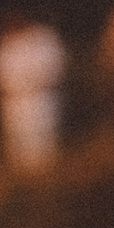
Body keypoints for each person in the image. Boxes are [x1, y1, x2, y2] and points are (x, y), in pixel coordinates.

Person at [0, 13, 66, 173]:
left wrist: (34, 82)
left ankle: (46, 178)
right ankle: (22, 179)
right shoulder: (6, 43)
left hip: (40, 100)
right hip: (15, 102)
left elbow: (55, 68)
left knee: (42, 145)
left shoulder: (43, 38)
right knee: (18, 145)